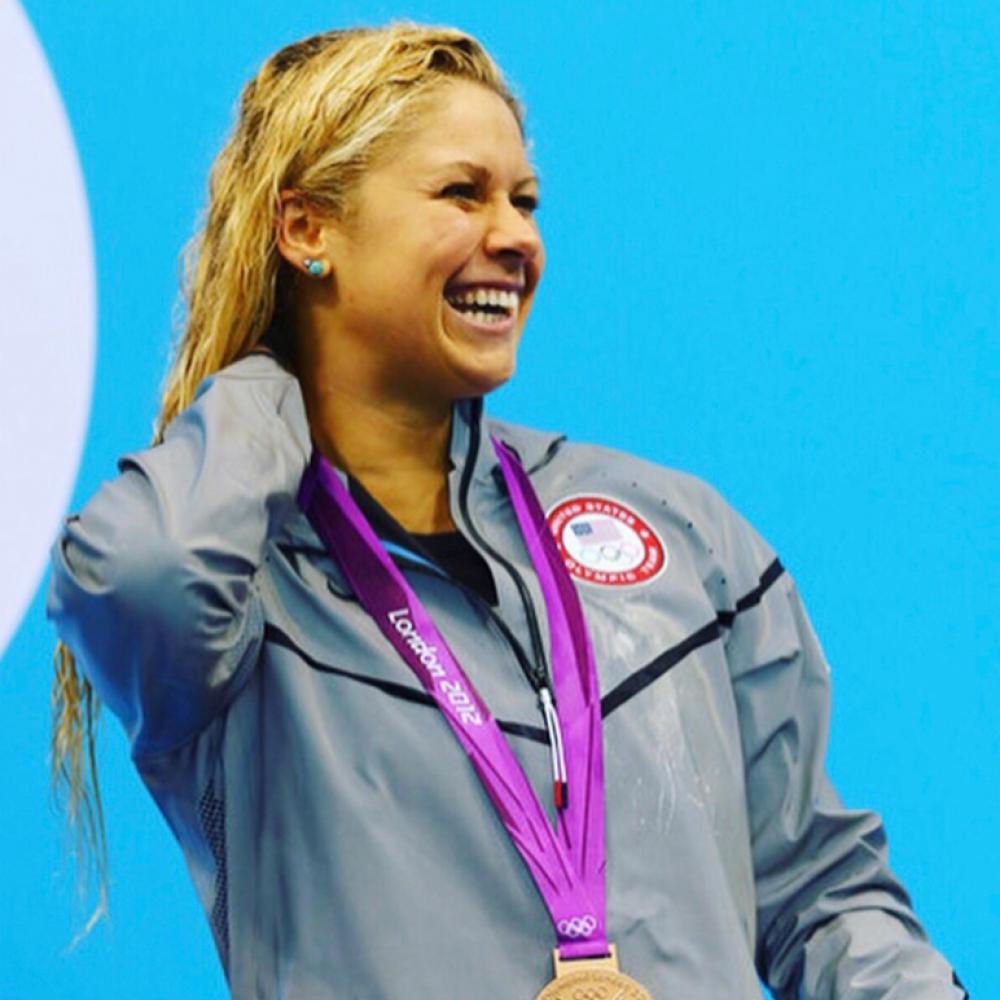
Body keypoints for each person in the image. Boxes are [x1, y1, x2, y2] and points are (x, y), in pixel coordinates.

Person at [48, 22, 965, 1000]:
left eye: (524, 200)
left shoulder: (681, 537)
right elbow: (135, 576)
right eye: (462, 193)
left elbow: (821, 898)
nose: (515, 235)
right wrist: (270, 387)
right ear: (307, 229)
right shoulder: (243, 590)